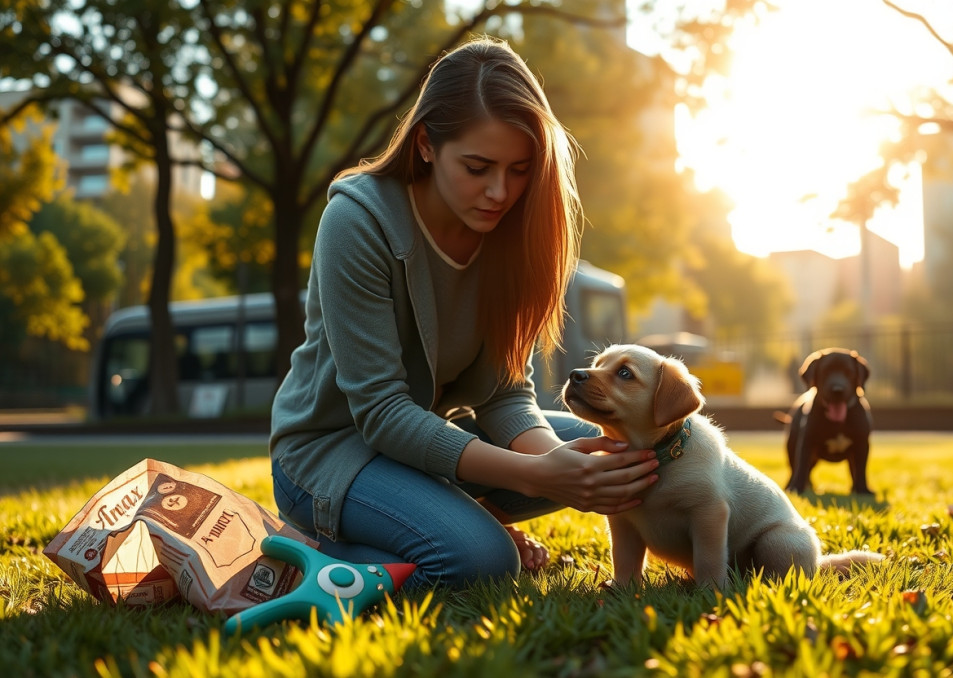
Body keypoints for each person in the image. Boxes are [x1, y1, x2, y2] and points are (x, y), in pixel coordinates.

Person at [269, 37, 660, 588]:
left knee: (624, 453)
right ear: (426, 144)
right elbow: (380, 412)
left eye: (520, 169)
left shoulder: (509, 230)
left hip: (423, 447)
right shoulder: (357, 222)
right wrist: (534, 475)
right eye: (477, 167)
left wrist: (555, 464)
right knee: (482, 562)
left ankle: (447, 515)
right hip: (333, 453)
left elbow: (504, 393)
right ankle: (316, 545)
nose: (500, 192)